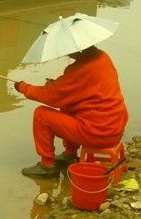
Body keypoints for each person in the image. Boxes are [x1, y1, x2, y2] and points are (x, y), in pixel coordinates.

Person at [14, 45, 129, 178]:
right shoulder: (103, 57)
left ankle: (47, 165)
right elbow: (76, 89)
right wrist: (57, 84)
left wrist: (23, 87)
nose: (67, 54)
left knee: (40, 114)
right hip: (115, 128)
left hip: (98, 133)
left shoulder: (80, 70)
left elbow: (50, 96)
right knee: (68, 103)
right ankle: (70, 155)